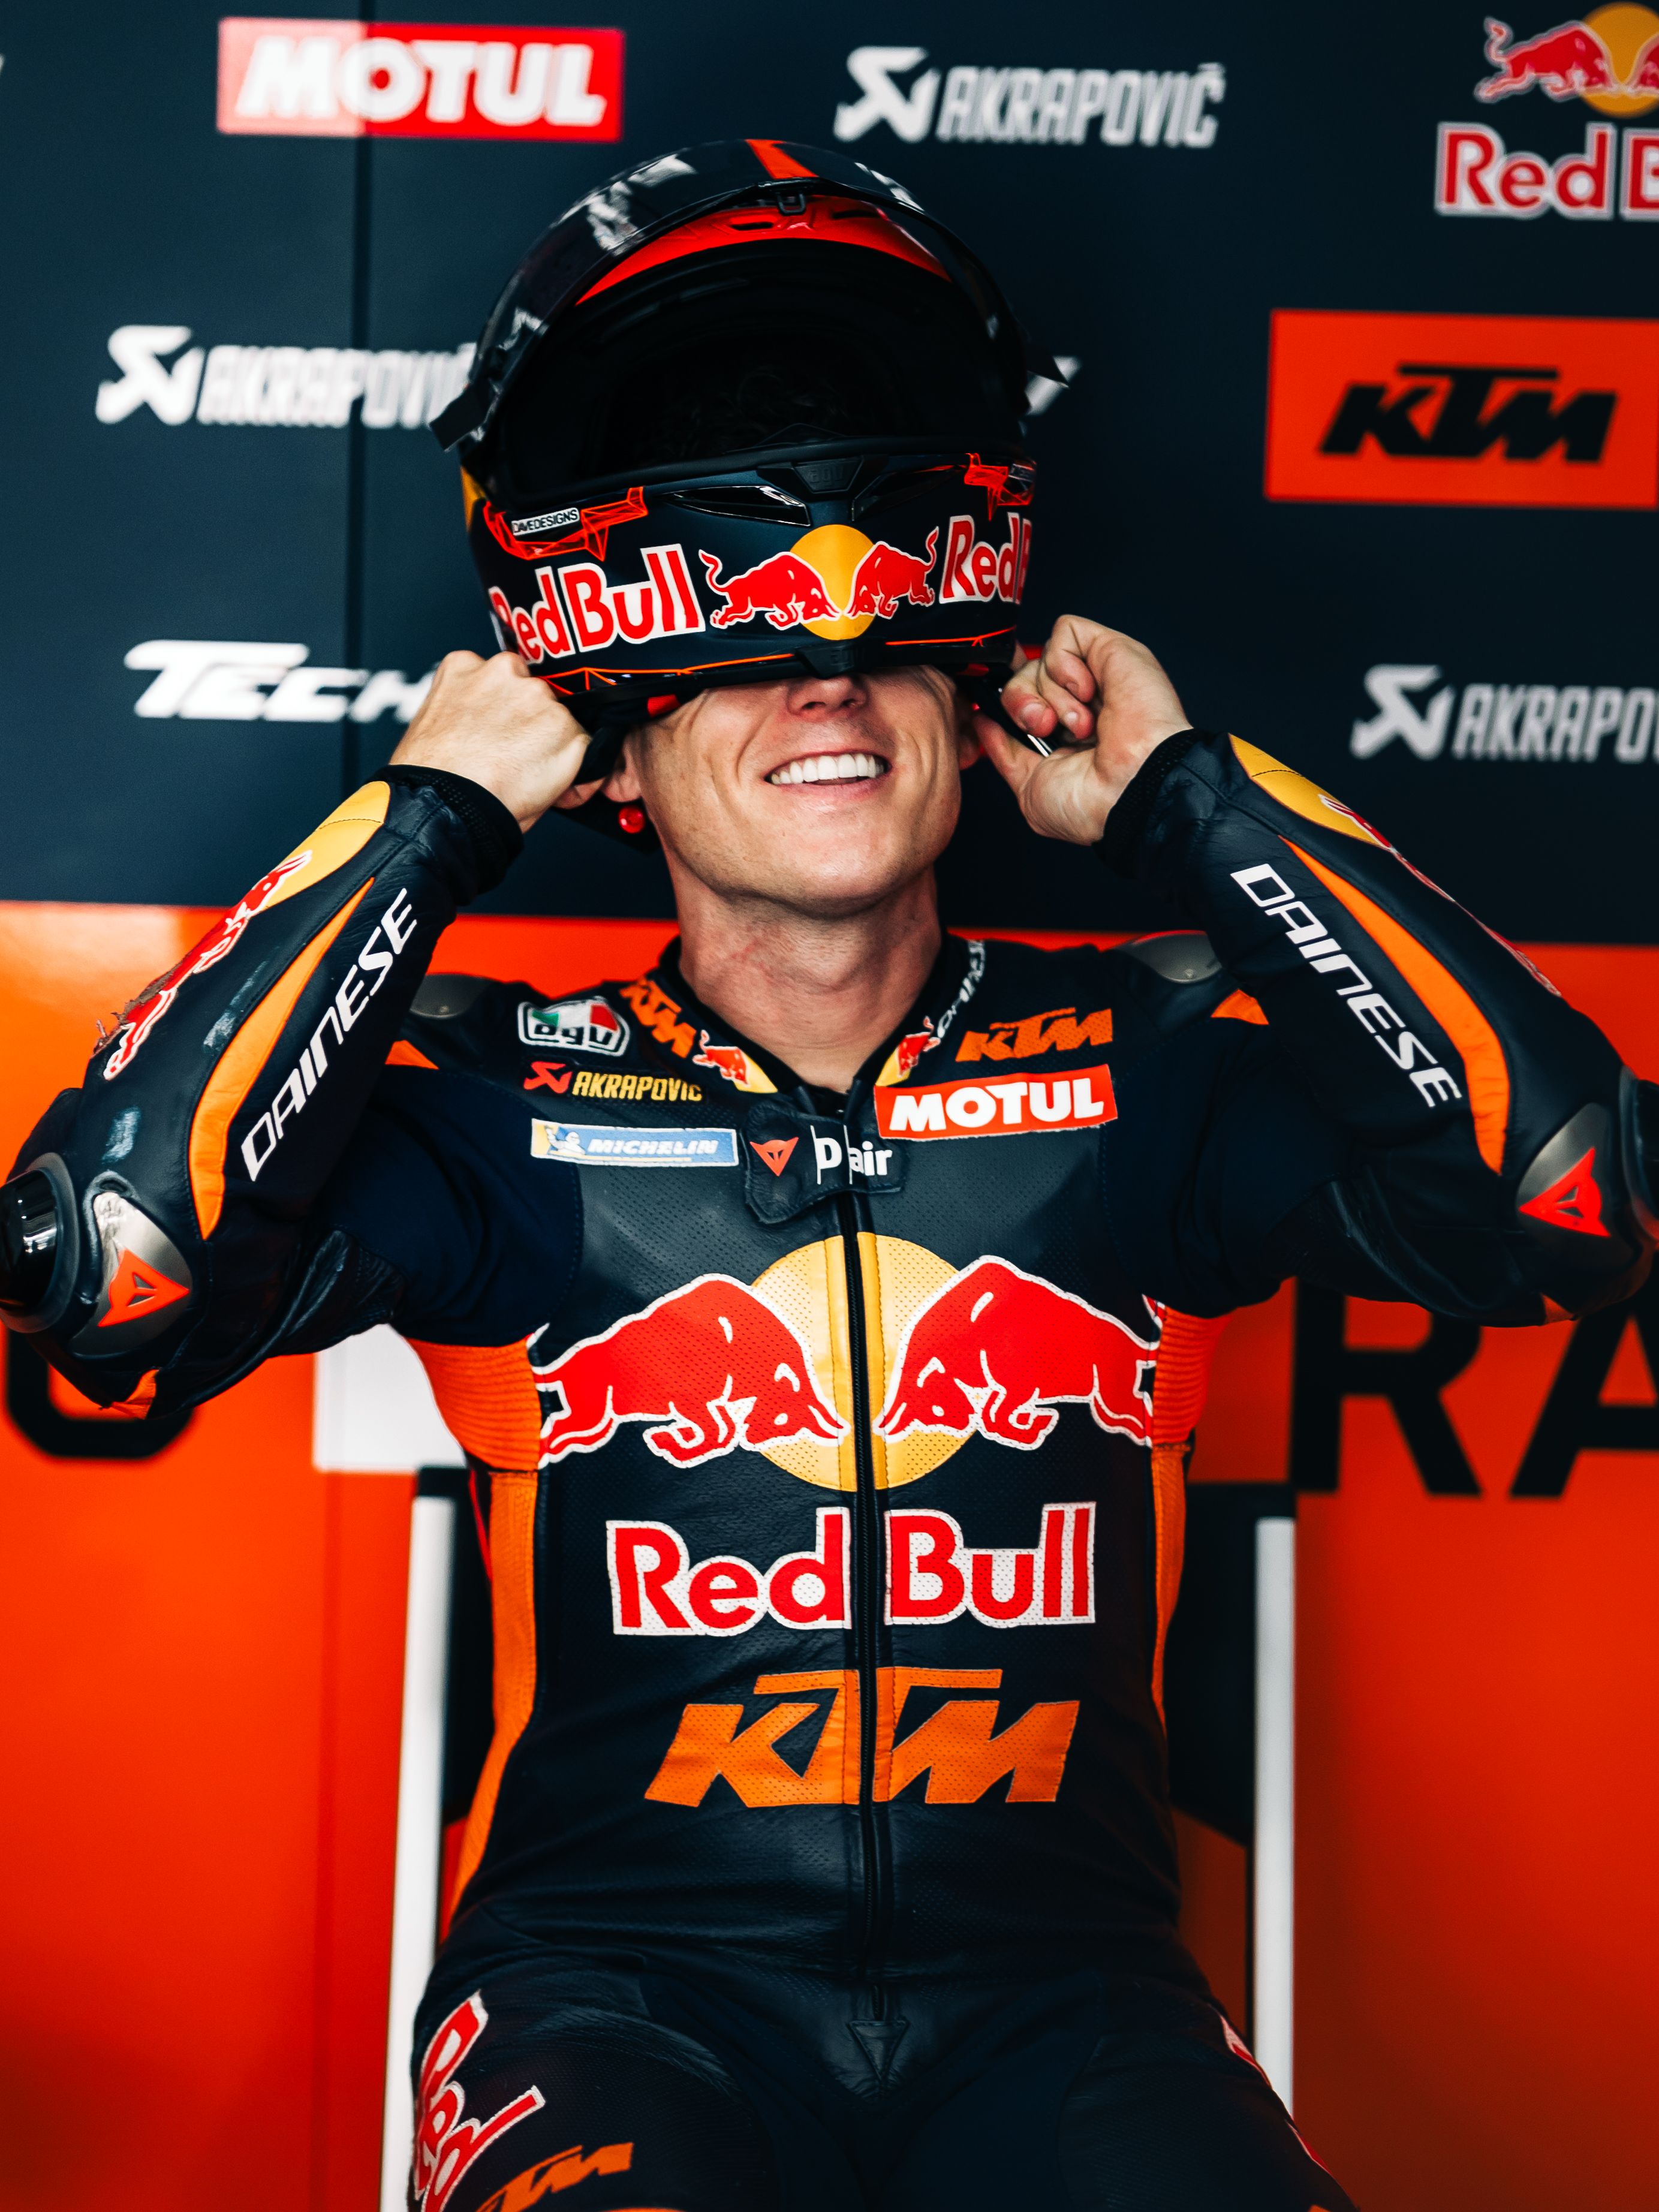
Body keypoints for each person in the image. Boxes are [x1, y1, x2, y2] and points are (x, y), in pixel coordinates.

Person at [1, 142, 1652, 2212]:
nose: (824, 678)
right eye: (740, 638)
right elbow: (110, 1262)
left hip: (1075, 2018)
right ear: (607, 734)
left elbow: (1572, 1189)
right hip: (616, 2007)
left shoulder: (1144, 1073)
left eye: (879, 635)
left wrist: (1198, 807)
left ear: (972, 686)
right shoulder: (502, 1103)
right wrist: (423, 826)